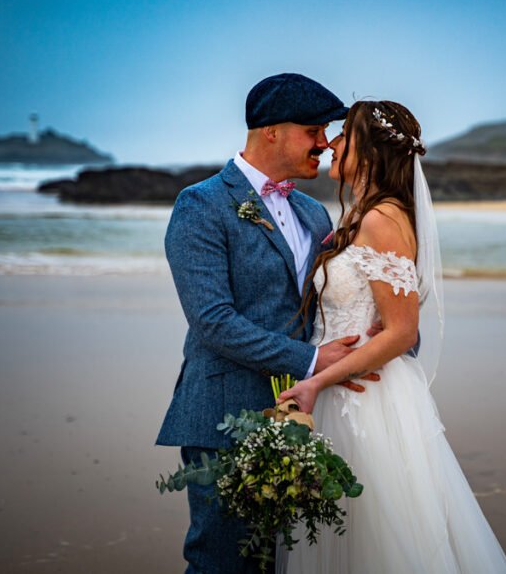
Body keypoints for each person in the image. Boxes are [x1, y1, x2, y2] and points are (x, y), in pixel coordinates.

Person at [278, 100, 506, 573]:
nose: (331, 142)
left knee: (377, 540)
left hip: (366, 399)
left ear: (367, 150)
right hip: (345, 388)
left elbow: (404, 331)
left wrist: (316, 382)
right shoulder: (360, 215)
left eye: (344, 134)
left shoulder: (380, 219)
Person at [156, 73, 379, 574]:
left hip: (306, 414)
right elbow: (213, 320)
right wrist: (314, 359)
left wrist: (381, 346)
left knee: (283, 561)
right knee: (222, 561)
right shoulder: (200, 205)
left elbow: (345, 295)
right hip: (223, 410)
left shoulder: (312, 211)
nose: (325, 143)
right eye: (314, 130)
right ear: (271, 132)